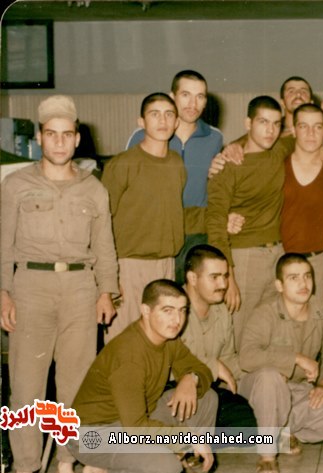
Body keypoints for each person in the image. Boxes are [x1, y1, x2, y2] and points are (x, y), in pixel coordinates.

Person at [0, 95, 119, 473]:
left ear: (78, 139)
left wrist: (106, 290)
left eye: (67, 134)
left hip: (81, 289)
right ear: (39, 137)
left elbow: (105, 246)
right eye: (51, 134)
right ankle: (26, 466)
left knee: (78, 382)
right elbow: (2, 243)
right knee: (26, 384)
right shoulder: (15, 185)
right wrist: (3, 292)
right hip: (30, 287)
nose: (59, 142)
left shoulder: (94, 189)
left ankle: (70, 460)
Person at [68, 279, 217, 473]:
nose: (177, 320)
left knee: (206, 398)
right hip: (92, 434)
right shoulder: (129, 356)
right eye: (168, 310)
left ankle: (180, 463)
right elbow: (135, 428)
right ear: (146, 311)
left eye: (182, 310)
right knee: (165, 468)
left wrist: (191, 378)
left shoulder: (168, 339)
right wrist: (188, 438)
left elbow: (202, 370)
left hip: (132, 419)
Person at [239, 253, 323, 473]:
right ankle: (267, 456)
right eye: (293, 278)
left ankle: (280, 431)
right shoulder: (265, 312)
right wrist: (296, 358)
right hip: (260, 388)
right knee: (270, 377)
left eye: (307, 276)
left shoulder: (322, 310)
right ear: (279, 285)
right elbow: (246, 357)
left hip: (297, 389)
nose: (303, 283)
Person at [206, 95, 293, 351]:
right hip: (243, 258)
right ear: (248, 123)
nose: (270, 130)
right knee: (237, 335)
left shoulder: (279, 150)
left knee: (269, 333)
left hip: (277, 253)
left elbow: (305, 136)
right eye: (263, 122)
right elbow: (215, 224)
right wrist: (228, 277)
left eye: (276, 124)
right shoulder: (228, 165)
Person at [101, 92, 186, 342]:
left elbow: (173, 211)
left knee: (159, 339)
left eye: (169, 114)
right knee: (124, 340)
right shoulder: (123, 164)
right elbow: (101, 222)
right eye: (154, 114)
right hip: (129, 265)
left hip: (166, 264)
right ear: (141, 122)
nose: (162, 120)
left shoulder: (177, 163)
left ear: (177, 123)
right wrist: (110, 276)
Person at [126, 70, 223, 284]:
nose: (192, 104)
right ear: (172, 97)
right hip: (155, 230)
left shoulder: (215, 137)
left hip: (196, 232)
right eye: (186, 95)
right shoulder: (143, 136)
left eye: (200, 96)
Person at [180, 244, 256, 431]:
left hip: (208, 389)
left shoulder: (221, 310)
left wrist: (259, 371)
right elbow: (169, 362)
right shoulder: (173, 307)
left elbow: (228, 358)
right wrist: (212, 366)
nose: (223, 285)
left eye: (225, 276)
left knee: (245, 424)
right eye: (214, 277)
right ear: (192, 278)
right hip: (177, 388)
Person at [280, 104, 323, 304]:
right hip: (279, 261)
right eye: (303, 126)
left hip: (317, 264)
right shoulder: (278, 165)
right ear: (293, 130)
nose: (311, 133)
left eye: (317, 127)